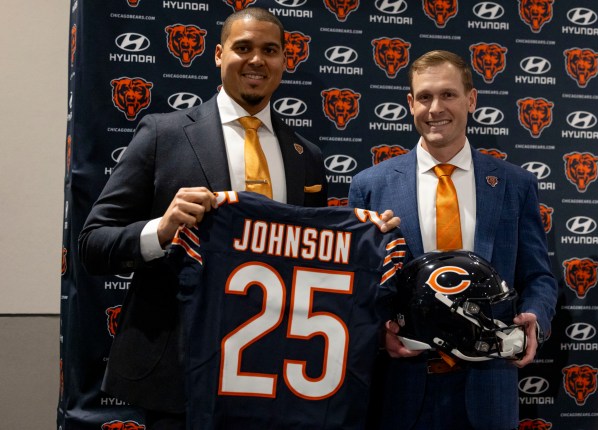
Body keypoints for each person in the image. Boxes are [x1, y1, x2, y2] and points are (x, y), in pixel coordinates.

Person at [79, 7, 399, 429]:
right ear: (217, 54)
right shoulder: (163, 134)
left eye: (270, 50)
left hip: (276, 377)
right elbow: (92, 245)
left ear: (286, 60)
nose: (256, 60)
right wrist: (163, 229)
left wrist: (370, 241)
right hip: (181, 376)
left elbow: (316, 263)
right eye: (243, 48)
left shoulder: (307, 156)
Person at [347, 50, 558, 430]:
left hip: (489, 386)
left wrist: (535, 319)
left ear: (471, 100)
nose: (435, 108)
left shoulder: (514, 184)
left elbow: (539, 277)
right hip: (402, 386)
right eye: (424, 97)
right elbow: (353, 286)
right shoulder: (370, 186)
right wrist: (377, 332)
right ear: (410, 103)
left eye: (448, 95)